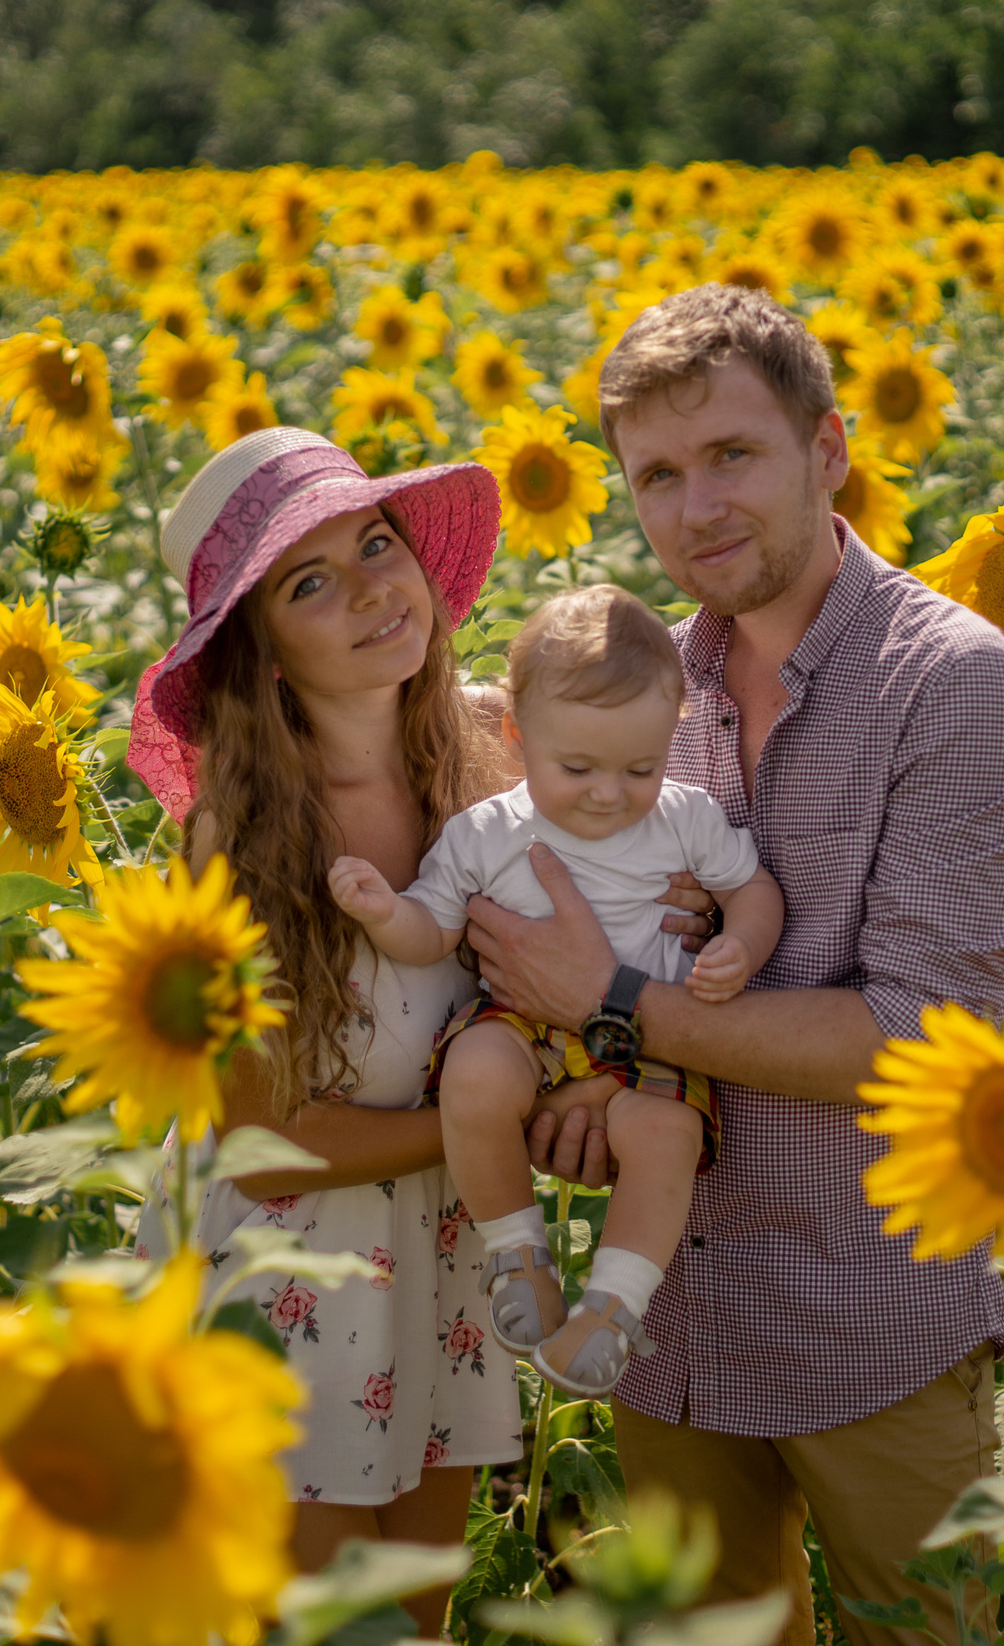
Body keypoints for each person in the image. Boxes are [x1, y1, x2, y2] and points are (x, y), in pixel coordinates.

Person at [462, 283, 1004, 1646]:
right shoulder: (644, 690)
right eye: (659, 475)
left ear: (830, 447)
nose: (696, 508)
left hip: (875, 1315)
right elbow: (589, 974)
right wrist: (578, 1092)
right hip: (671, 1324)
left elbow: (918, 1034)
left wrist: (611, 1002)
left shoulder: (951, 679)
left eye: (732, 454)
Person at [124, 425, 520, 1628]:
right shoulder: (240, 842)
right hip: (288, 1276)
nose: (368, 590)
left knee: (415, 1620)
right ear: (264, 655)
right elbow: (265, 1132)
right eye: (310, 583)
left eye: (376, 545)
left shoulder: (487, 760)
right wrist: (484, 1128)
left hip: (444, 1262)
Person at [329, 585, 784, 1400]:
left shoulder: (685, 818)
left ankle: (613, 1307)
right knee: (474, 1074)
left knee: (666, 1134)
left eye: (639, 767)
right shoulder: (487, 831)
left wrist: (741, 945)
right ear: (516, 735)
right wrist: (381, 911)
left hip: (649, 1038)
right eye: (576, 767)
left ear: (668, 742)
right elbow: (432, 930)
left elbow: (754, 888)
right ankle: (518, 1252)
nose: (608, 792)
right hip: (521, 1023)